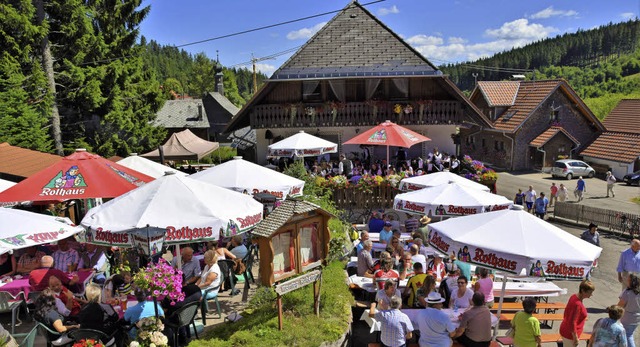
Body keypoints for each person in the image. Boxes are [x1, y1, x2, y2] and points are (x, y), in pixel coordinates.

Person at [560, 280, 595, 347]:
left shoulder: (574, 296)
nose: (591, 295)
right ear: (583, 291)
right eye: (589, 293)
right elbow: (572, 322)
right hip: (570, 335)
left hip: (566, 330)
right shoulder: (577, 304)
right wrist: (575, 338)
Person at [618, 273, 640, 347]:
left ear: (631, 281)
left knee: (627, 335)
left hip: (627, 317)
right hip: (637, 318)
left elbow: (620, 305)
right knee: (629, 334)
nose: (627, 280)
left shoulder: (627, 292)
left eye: (628, 279)